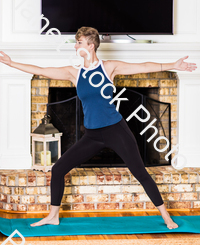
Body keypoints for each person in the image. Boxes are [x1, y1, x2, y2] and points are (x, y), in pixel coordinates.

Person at [0, 27, 197, 230]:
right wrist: (11, 63)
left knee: (140, 172)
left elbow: (143, 66)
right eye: (76, 42)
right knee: (58, 169)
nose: (75, 46)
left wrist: (174, 65)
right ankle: (53, 215)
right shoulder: (74, 73)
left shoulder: (109, 67)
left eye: (79, 42)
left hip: (116, 130)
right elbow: (41, 70)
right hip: (92, 135)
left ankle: (166, 217)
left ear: (90, 46)